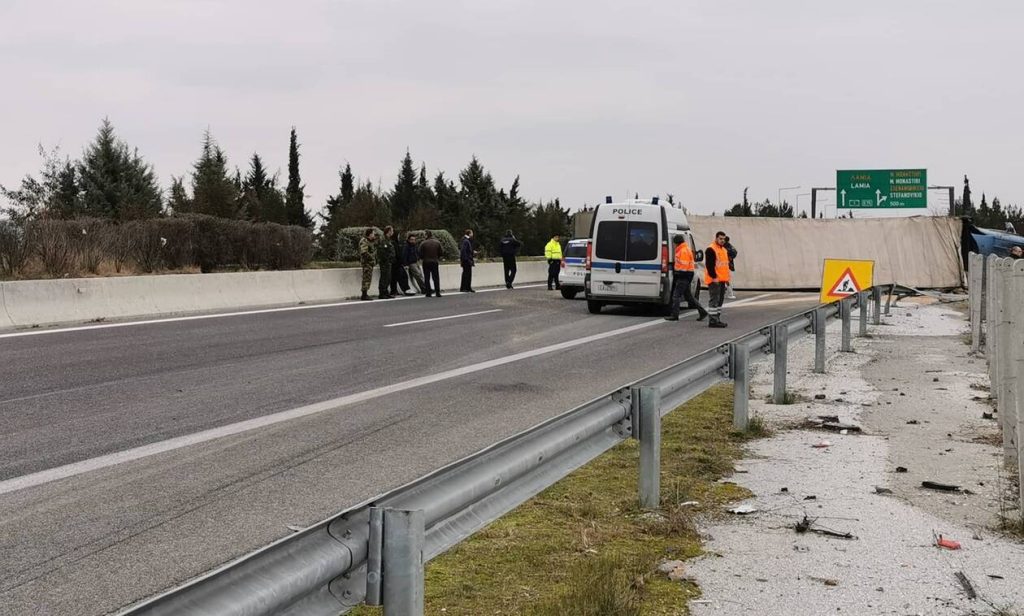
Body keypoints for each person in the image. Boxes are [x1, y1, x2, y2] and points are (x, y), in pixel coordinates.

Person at [664, 235, 709, 322]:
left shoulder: (682, 251)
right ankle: (702, 312)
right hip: (686, 275)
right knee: (689, 297)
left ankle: (674, 315)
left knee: (676, 296)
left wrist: (677, 274)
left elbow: (683, 267)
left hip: (683, 276)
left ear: (676, 243)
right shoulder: (685, 249)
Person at [704, 231, 731, 328]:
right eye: (720, 238)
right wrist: (714, 277)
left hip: (722, 279)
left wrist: (727, 279)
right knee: (714, 300)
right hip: (714, 280)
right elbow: (709, 265)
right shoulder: (711, 249)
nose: (722, 240)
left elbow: (724, 265)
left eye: (724, 239)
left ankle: (717, 318)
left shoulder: (723, 250)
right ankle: (713, 320)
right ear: (716, 238)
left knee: (719, 301)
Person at [418, 230, 443, 297]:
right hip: (435, 261)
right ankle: (438, 292)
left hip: (426, 262)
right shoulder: (437, 243)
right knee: (436, 277)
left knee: (427, 278)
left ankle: (428, 292)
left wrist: (423, 257)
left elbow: (420, 253)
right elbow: (441, 252)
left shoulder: (423, 243)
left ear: (426, 235)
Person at [358, 228, 378, 301]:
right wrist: (371, 258)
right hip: (366, 263)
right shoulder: (364, 241)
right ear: (369, 234)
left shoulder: (370, 241)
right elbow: (364, 252)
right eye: (373, 234)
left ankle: (365, 293)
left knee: (368, 278)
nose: (374, 235)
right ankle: (364, 294)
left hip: (370, 263)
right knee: (366, 278)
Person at [377, 225, 396, 299]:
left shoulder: (388, 240)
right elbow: (382, 252)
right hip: (384, 262)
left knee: (388, 278)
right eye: (392, 231)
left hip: (389, 262)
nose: (393, 232)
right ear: (389, 231)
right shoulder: (383, 240)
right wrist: (387, 259)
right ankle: (382, 293)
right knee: (384, 277)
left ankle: (386, 292)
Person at [724, 235, 738, 299]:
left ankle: (729, 293)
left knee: (725, 279)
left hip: (724, 264)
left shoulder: (725, 246)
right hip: (725, 264)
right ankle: (729, 292)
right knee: (725, 279)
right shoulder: (728, 246)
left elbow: (734, 252)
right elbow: (735, 252)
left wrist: (729, 257)